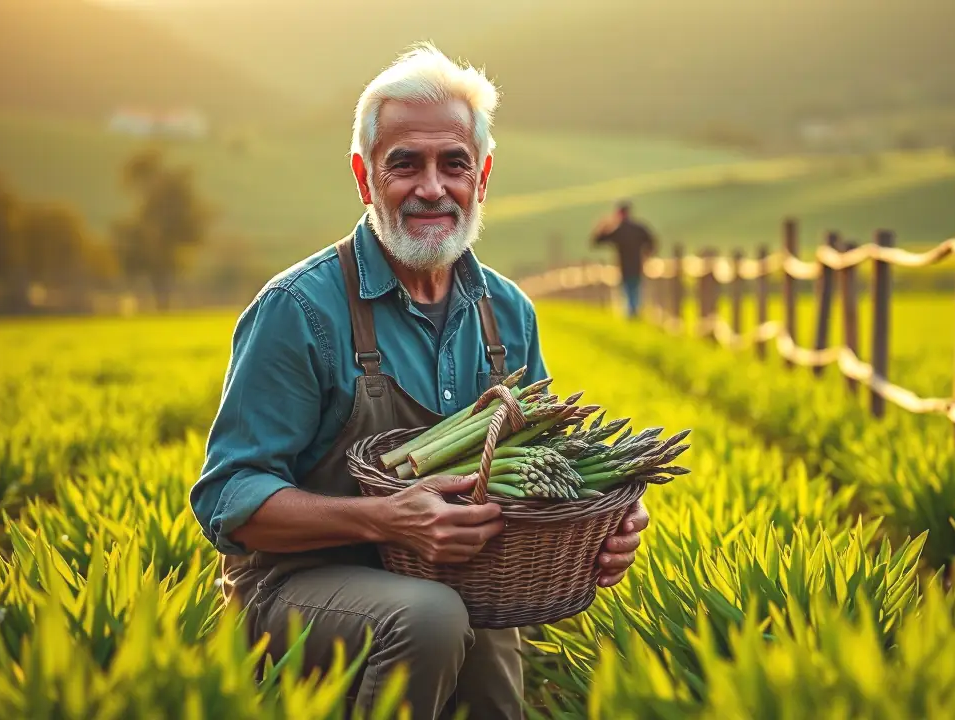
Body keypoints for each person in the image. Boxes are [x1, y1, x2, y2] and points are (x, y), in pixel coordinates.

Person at [188, 43, 649, 720]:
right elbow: (228, 497)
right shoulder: (300, 310)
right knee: (431, 617)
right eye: (405, 163)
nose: (432, 187)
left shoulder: (507, 312)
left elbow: (559, 462)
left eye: (453, 164)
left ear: (482, 177)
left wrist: (608, 518)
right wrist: (387, 519)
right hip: (293, 588)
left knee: (487, 647)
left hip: (460, 578)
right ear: (364, 176)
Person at [591, 200, 656, 318]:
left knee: (628, 289)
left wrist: (603, 226)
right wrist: (647, 255)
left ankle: (632, 312)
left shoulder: (618, 230)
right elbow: (652, 241)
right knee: (635, 288)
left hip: (624, 265)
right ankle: (634, 311)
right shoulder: (638, 228)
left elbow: (597, 241)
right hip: (637, 264)